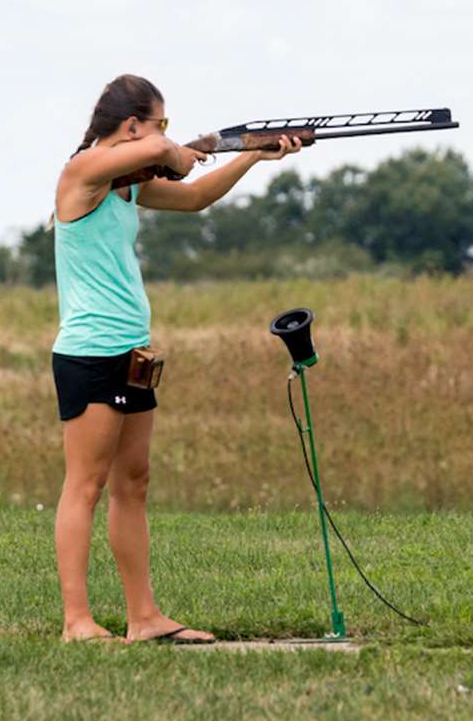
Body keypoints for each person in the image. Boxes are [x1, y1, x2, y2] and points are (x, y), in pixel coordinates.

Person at [50, 74, 302, 643]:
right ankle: (77, 622)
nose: (166, 133)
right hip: (90, 353)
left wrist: (254, 156)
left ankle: (144, 619)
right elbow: (170, 156)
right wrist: (183, 147)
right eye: (159, 122)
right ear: (134, 125)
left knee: (133, 484)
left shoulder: (123, 187)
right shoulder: (83, 173)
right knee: (84, 487)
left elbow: (193, 196)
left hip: (132, 352)